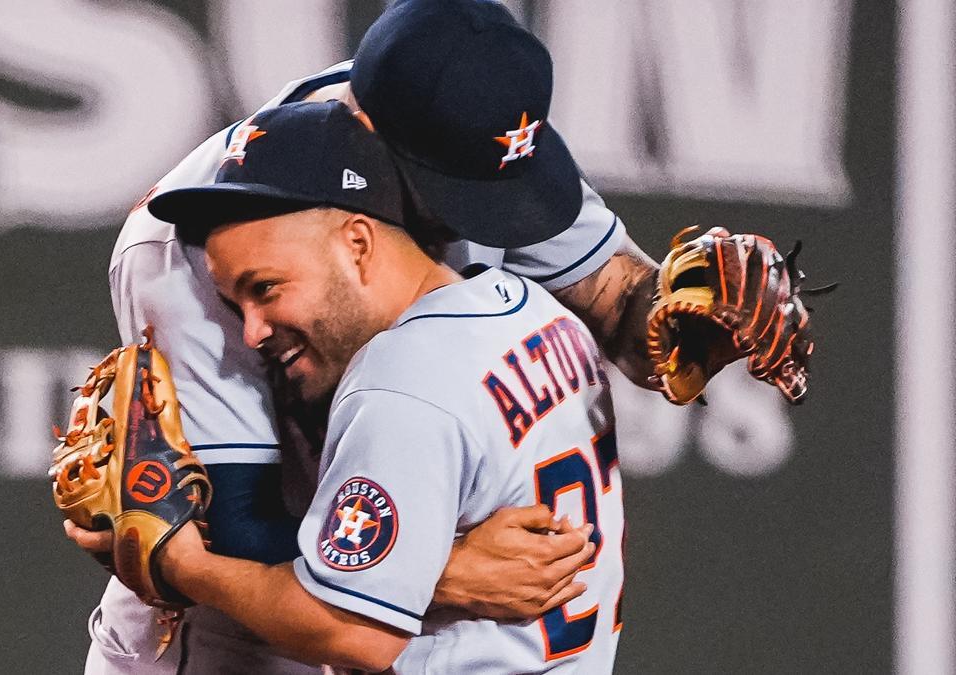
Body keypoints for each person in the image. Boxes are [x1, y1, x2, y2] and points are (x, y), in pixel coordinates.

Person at [76, 2, 655, 672]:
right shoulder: (180, 253)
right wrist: (427, 574)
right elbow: (231, 529)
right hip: (231, 643)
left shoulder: (468, 130)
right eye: (454, 191)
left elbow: (629, 306)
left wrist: (695, 319)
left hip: (358, 613)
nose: (477, 215)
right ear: (371, 138)